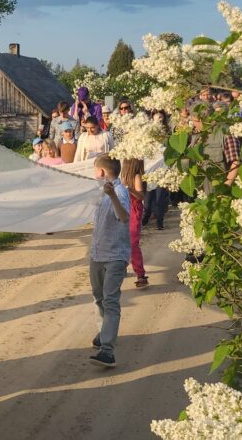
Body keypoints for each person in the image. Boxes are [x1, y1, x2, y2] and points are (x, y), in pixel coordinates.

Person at [89, 155, 131, 368]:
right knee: (99, 298)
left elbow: (123, 217)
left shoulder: (119, 192)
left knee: (110, 300)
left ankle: (107, 351)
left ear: (103, 172)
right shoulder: (100, 192)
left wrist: (112, 196)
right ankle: (104, 331)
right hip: (97, 254)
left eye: (95, 170)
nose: (93, 174)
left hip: (115, 256)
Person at [121, 158, 149, 288]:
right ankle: (124, 267)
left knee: (132, 242)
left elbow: (141, 195)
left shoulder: (136, 176)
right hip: (127, 208)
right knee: (123, 240)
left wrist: (129, 189)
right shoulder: (125, 175)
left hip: (133, 209)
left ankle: (140, 274)